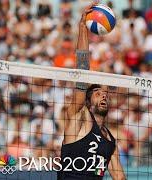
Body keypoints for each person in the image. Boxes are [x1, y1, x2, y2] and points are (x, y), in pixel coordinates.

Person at [57, 2, 125, 180]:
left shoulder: (110, 141)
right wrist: (82, 28)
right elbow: (82, 69)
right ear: (87, 102)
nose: (103, 95)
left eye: (105, 94)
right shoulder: (78, 118)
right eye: (97, 93)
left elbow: (120, 177)